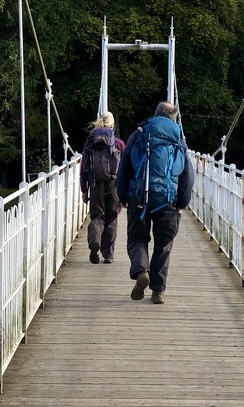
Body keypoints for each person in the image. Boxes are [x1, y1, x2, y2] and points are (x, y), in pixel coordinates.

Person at [115, 101, 194, 304]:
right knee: (164, 244)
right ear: (173, 118)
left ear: (155, 114)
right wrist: (182, 203)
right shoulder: (178, 139)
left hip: (139, 196)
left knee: (137, 238)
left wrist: (123, 196)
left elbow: (124, 167)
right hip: (169, 200)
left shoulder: (140, 134)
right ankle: (158, 291)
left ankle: (141, 270)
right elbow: (187, 174)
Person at [80, 111, 125, 264]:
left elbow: (84, 168)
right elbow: (125, 170)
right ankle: (108, 254)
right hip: (114, 185)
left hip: (95, 183)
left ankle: (94, 242)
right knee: (111, 218)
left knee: (97, 216)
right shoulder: (118, 144)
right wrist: (126, 194)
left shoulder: (90, 142)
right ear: (113, 125)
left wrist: (84, 190)